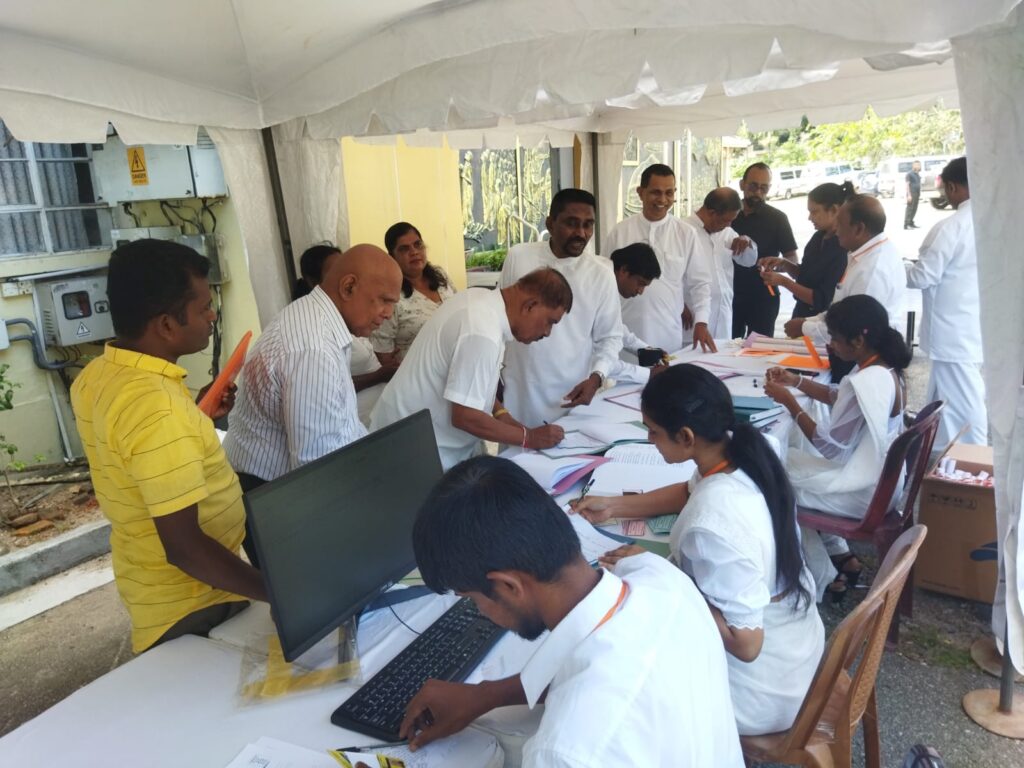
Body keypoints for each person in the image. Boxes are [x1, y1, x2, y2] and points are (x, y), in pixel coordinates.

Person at [400, 455, 743, 766]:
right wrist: (484, 695)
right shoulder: (660, 578)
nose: (480, 612)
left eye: (473, 599)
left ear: (509, 586)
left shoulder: (565, 751)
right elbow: (586, 671)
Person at [572, 365, 824, 735]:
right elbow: (688, 491)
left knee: (610, 669)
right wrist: (614, 506)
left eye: (654, 432)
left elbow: (746, 644)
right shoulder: (738, 452)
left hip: (761, 687)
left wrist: (656, 571)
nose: (650, 441)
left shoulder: (713, 523)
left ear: (686, 436)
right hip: (796, 645)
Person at [70, 240, 266, 653]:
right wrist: (277, 591)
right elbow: (185, 548)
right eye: (204, 308)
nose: (212, 316)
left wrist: (197, 415)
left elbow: (137, 451)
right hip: (193, 604)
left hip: (152, 586)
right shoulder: (157, 409)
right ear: (165, 325)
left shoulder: (99, 373)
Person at [764, 295, 911, 600]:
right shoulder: (884, 369)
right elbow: (839, 397)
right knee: (782, 463)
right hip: (883, 483)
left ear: (858, 341)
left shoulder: (868, 381)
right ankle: (838, 555)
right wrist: (796, 381)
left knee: (770, 480)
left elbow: (831, 447)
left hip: (866, 494)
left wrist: (790, 403)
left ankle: (819, 577)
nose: (830, 344)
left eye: (834, 338)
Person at [224, 244, 402, 489]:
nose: (389, 313)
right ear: (349, 287)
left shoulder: (319, 321)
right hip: (270, 493)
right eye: (384, 301)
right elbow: (319, 469)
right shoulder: (313, 349)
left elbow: (338, 429)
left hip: (284, 483)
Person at [370, 269, 568, 469]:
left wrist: (501, 413)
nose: (547, 332)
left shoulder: (480, 301)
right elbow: (466, 417)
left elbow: (468, 381)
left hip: (412, 438)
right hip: (412, 451)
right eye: (550, 322)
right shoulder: (482, 331)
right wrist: (530, 438)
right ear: (531, 305)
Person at [499, 189, 623, 426]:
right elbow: (502, 317)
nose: (581, 233)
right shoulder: (519, 256)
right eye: (571, 223)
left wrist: (597, 377)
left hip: (572, 393)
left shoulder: (602, 273)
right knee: (518, 446)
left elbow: (611, 337)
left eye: (588, 225)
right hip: (520, 389)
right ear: (550, 223)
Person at [906, 157, 987, 447]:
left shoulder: (952, 226)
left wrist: (898, 268)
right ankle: (941, 450)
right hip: (971, 323)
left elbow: (923, 276)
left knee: (965, 400)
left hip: (953, 330)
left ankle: (975, 456)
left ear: (952, 187)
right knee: (944, 398)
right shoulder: (991, 221)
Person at [785, 194, 905, 382]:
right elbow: (841, 306)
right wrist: (808, 320)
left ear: (859, 229)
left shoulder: (872, 270)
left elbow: (852, 327)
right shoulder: (863, 254)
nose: (836, 231)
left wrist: (804, 327)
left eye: (840, 224)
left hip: (865, 362)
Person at [602, 164, 716, 353]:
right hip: (623, 338)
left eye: (669, 193)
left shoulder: (686, 233)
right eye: (656, 192)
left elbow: (700, 284)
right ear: (640, 192)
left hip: (668, 338)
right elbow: (604, 281)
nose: (662, 199)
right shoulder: (620, 232)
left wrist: (701, 322)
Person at [759, 182, 853, 321]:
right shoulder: (818, 237)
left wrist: (785, 282)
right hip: (801, 314)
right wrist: (785, 264)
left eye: (814, 212)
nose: (810, 218)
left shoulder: (843, 247)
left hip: (821, 321)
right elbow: (807, 275)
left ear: (834, 210)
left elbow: (823, 299)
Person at [371, 222, 455, 364]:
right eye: (404, 249)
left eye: (418, 245)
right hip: (418, 372)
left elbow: (460, 309)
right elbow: (383, 353)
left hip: (457, 363)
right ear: (392, 256)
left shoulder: (440, 275)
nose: (414, 252)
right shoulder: (389, 295)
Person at [731, 163, 798, 338]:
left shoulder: (778, 218)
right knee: (726, 344)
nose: (758, 192)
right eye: (753, 186)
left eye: (764, 188)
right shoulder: (729, 215)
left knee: (759, 349)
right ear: (742, 185)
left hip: (763, 296)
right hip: (729, 294)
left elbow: (792, 258)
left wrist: (777, 265)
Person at [682, 187, 758, 340]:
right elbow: (669, 274)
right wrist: (680, 306)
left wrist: (747, 242)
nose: (729, 225)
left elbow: (749, 261)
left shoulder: (727, 233)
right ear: (712, 213)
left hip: (723, 316)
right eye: (726, 220)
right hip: (692, 317)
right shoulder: (683, 230)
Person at [604, 242, 670, 384]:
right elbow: (603, 358)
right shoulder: (598, 288)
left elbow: (615, 328)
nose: (640, 291)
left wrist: (647, 350)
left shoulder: (609, 286)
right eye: (640, 283)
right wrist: (647, 374)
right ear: (623, 270)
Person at [905, 160, 922, 229]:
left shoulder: (917, 174)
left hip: (917, 193)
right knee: (910, 209)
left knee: (914, 208)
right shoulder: (909, 174)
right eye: (917, 165)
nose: (918, 166)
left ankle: (911, 223)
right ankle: (906, 224)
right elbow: (907, 185)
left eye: (919, 165)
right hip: (911, 193)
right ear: (913, 165)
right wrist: (909, 195)